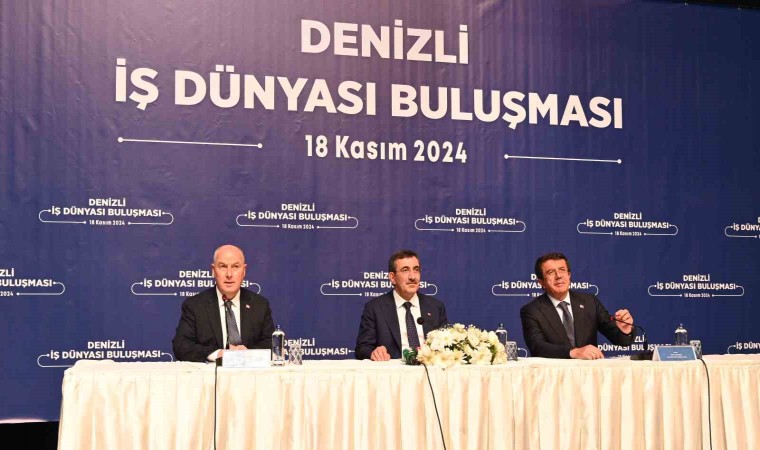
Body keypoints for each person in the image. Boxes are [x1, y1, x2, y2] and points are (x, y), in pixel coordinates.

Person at [520, 252, 636, 359]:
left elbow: (621, 340)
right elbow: (538, 347)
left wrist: (625, 330)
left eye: (562, 270)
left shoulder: (590, 302)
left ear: (569, 275)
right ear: (541, 282)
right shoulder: (532, 310)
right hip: (554, 373)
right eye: (551, 272)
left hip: (588, 372)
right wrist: (573, 352)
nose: (558, 276)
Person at [172, 244, 275, 362]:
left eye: (235, 267)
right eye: (223, 266)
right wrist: (219, 354)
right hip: (211, 373)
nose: (229, 274)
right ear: (213, 270)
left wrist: (247, 354)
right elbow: (181, 346)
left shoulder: (260, 305)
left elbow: (271, 344)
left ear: (244, 271)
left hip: (249, 372)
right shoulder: (195, 305)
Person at [355, 249, 448, 361]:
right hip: (393, 370)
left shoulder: (435, 307)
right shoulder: (375, 308)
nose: (412, 277)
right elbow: (362, 348)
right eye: (405, 270)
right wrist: (373, 352)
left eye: (416, 270)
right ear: (392, 277)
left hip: (428, 369)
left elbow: (447, 347)